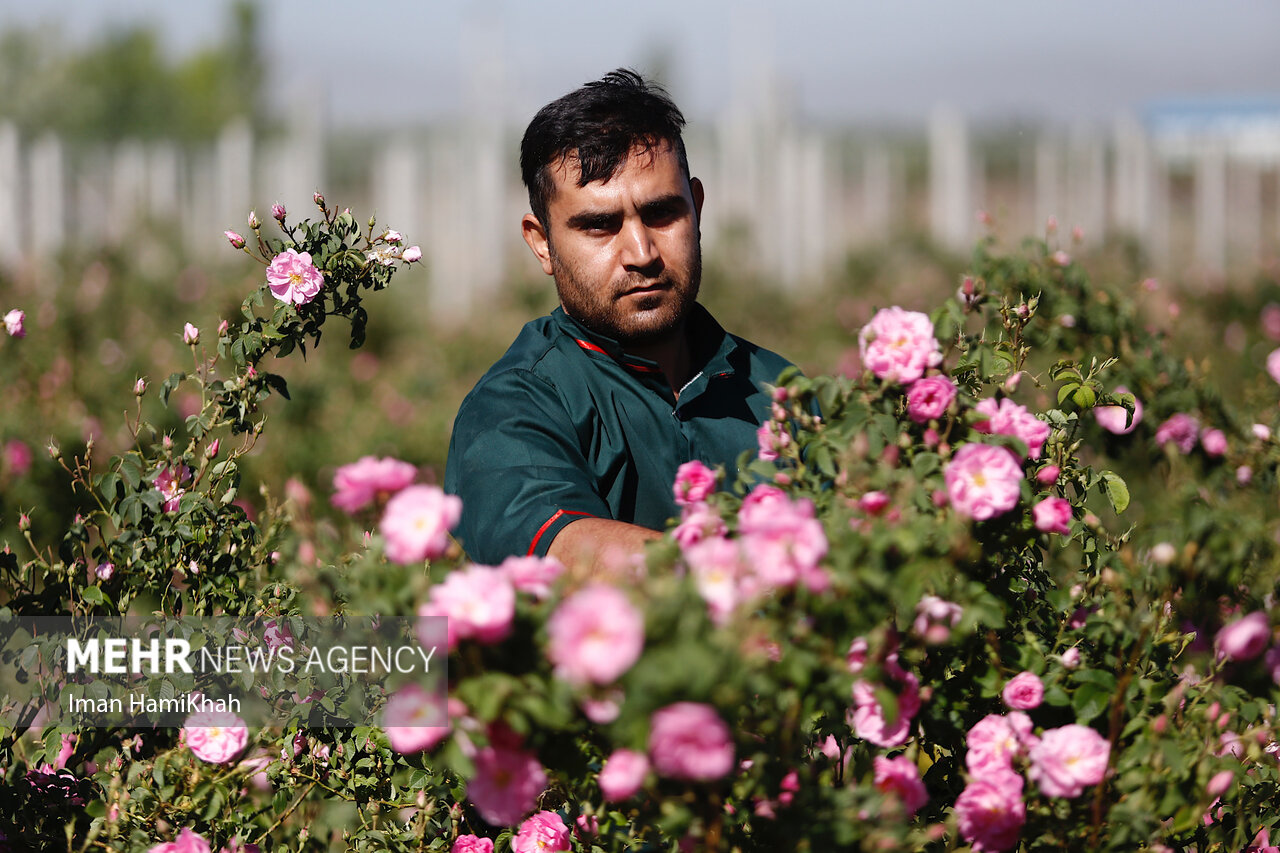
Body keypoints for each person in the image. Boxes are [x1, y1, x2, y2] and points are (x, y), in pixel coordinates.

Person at [444, 68, 799, 572]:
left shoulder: (776, 389)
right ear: (542, 242)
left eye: (661, 213)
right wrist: (768, 571)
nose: (641, 252)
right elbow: (565, 554)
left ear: (697, 209)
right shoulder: (516, 405)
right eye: (599, 225)